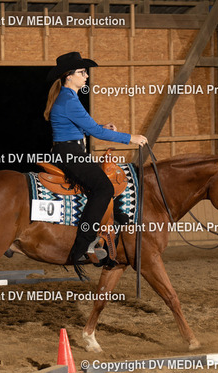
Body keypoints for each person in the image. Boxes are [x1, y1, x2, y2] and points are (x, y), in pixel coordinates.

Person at [44, 52, 147, 265]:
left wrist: (101, 126)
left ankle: (109, 222)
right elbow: (96, 133)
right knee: (104, 188)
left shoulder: (68, 97)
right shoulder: (68, 100)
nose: (86, 76)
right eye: (82, 72)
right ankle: (82, 246)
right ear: (69, 76)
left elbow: (86, 127)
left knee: (101, 184)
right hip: (70, 154)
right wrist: (131, 138)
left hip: (70, 152)